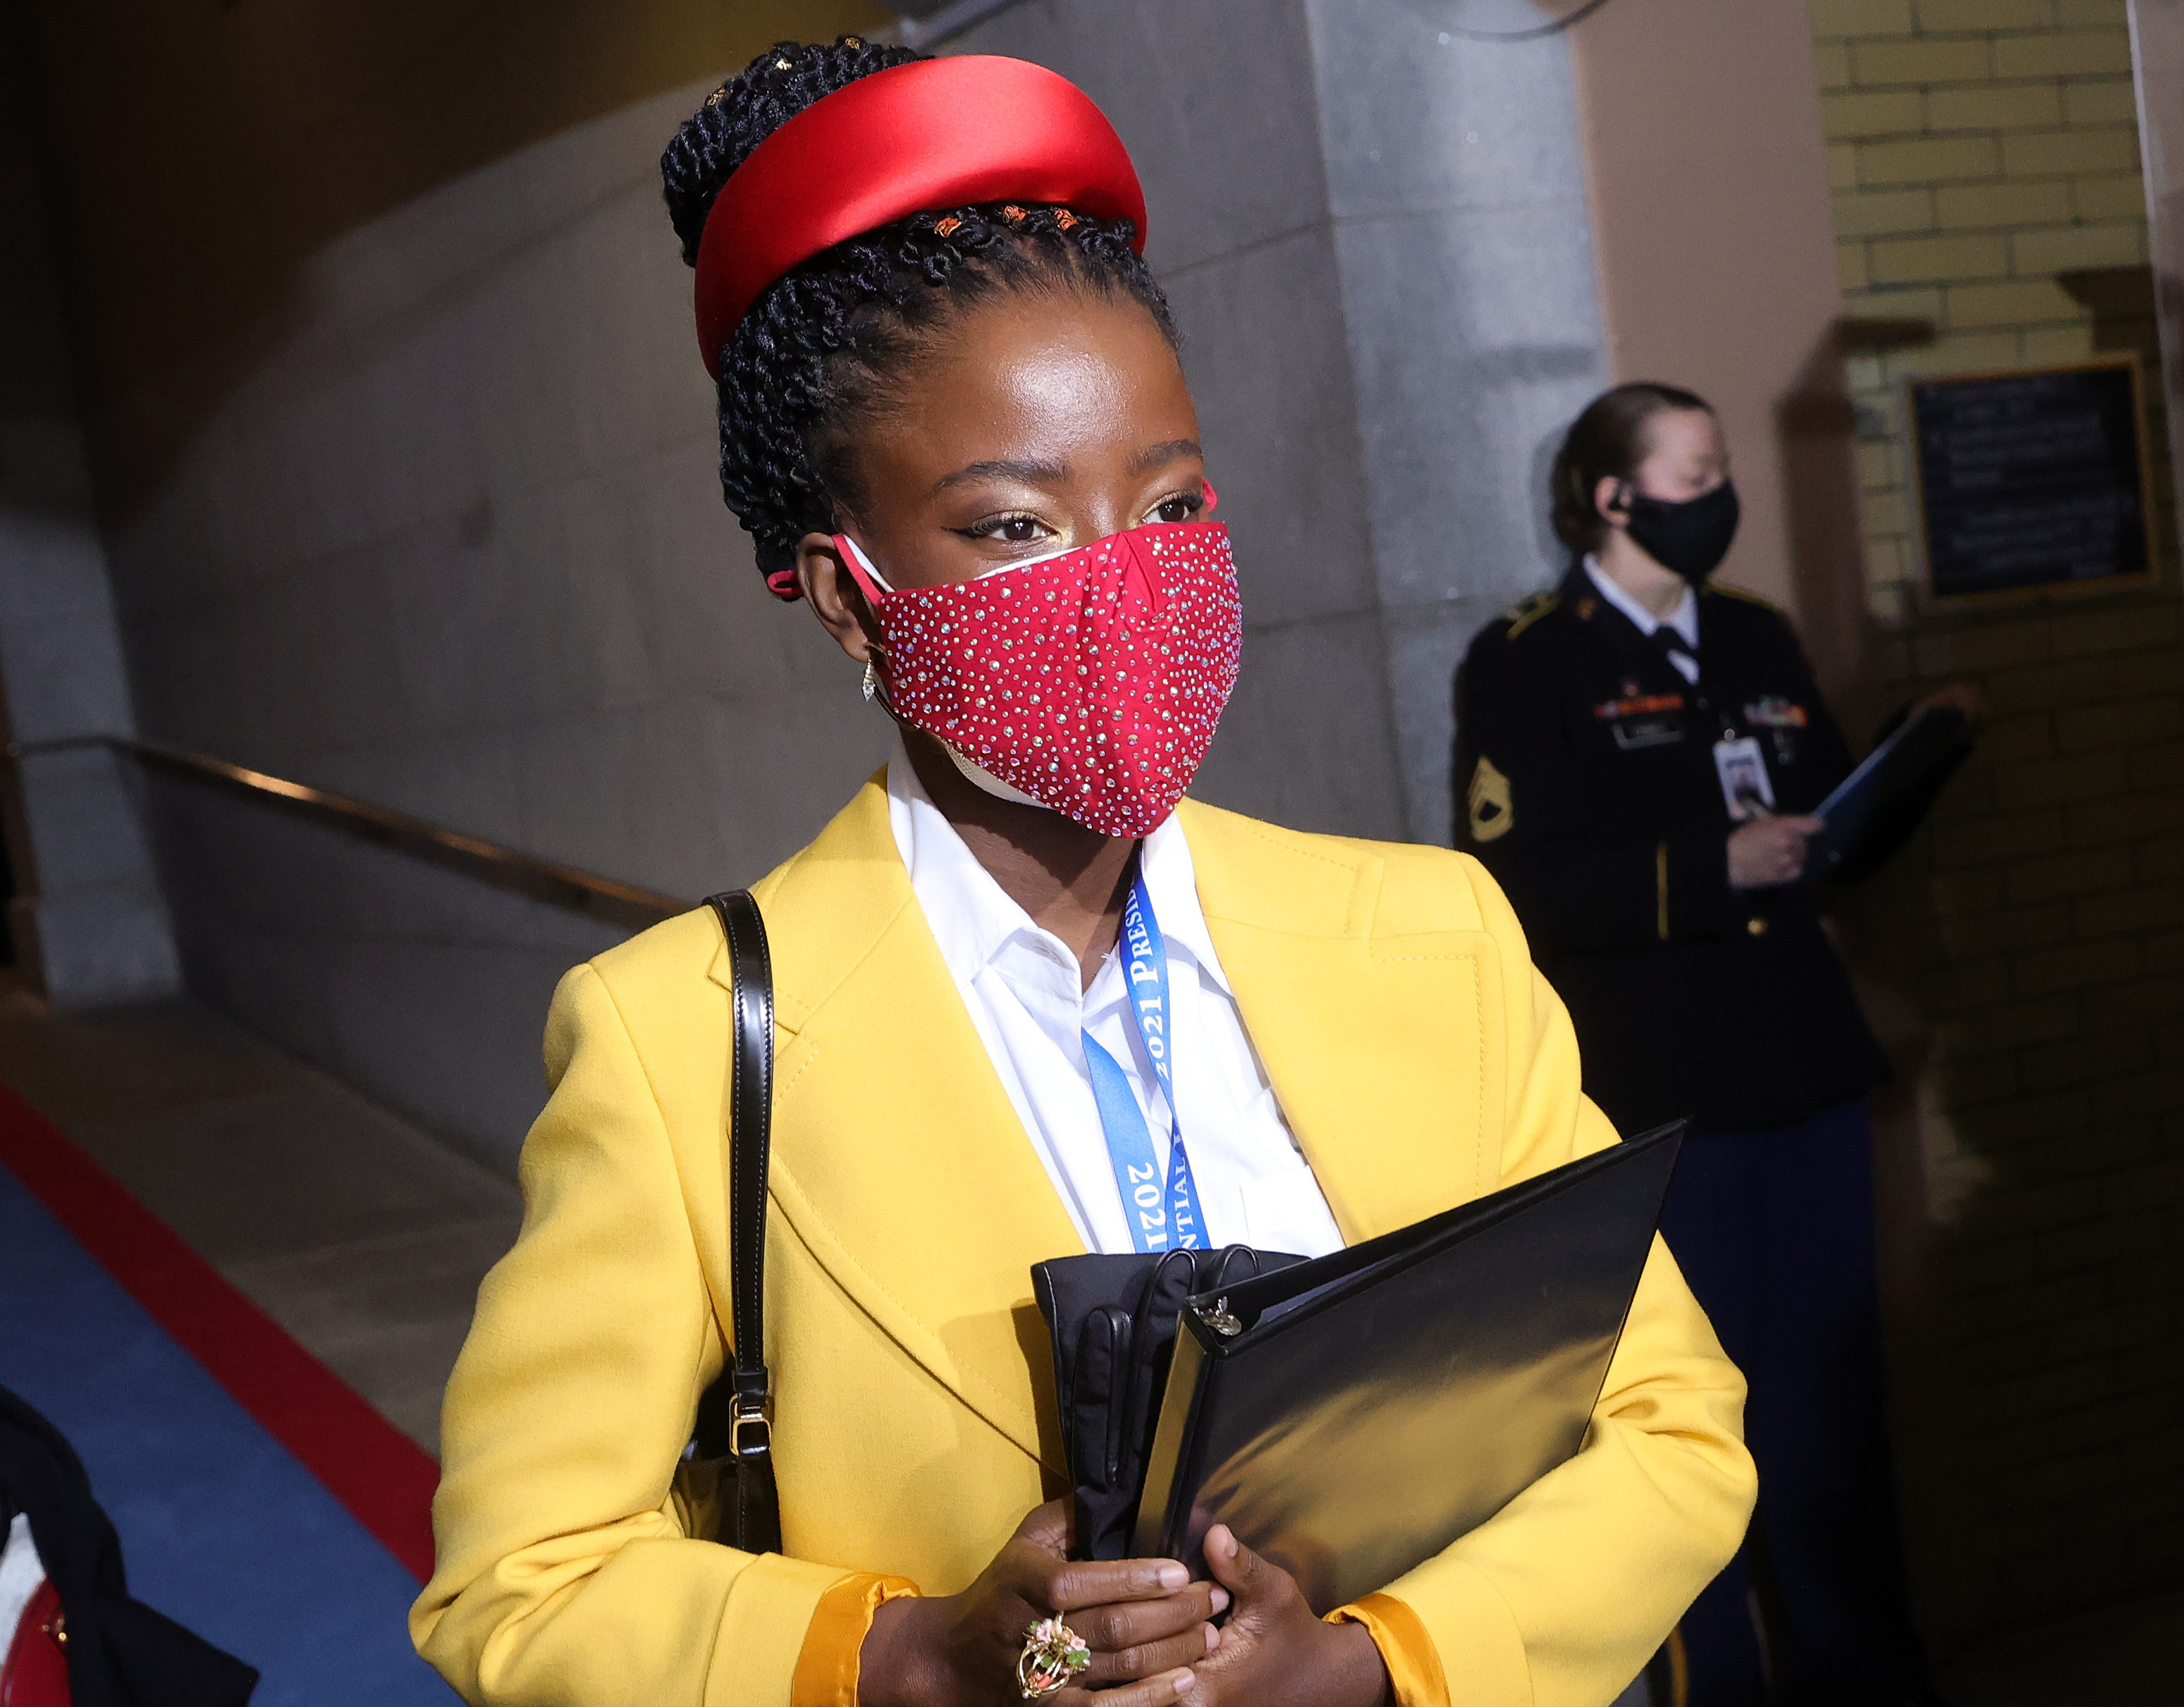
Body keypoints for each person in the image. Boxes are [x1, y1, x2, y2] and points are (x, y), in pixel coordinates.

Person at [411, 45, 1754, 1707]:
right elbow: (522, 1582)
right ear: (847, 593)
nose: (1122, 582)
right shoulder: (678, 1044)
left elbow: (1671, 1420)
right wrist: (919, 1653)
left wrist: (1372, 1668)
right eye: (1014, 527)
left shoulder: (1431, 935)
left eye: (1172, 502)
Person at [1452, 383, 1973, 1706]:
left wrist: (1920, 760)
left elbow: (1837, 830)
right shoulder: (1528, 658)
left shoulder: (1753, 636)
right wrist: (1706, 865)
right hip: (1658, 1099)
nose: (1719, 494)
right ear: (1615, 497)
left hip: (1798, 1074)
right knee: (1686, 1435)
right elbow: (1514, 884)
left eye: (1725, 465)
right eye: (1696, 471)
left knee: (1831, 1420)